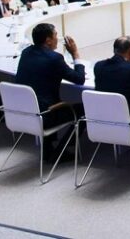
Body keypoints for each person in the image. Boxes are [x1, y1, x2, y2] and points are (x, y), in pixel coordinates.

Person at [15, 23, 86, 161]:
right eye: (55, 36)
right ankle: (60, 151)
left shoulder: (26, 52)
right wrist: (75, 54)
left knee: (45, 98)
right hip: (44, 115)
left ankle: (48, 149)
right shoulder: (54, 58)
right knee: (84, 109)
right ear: (48, 40)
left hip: (22, 111)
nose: (57, 39)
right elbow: (79, 79)